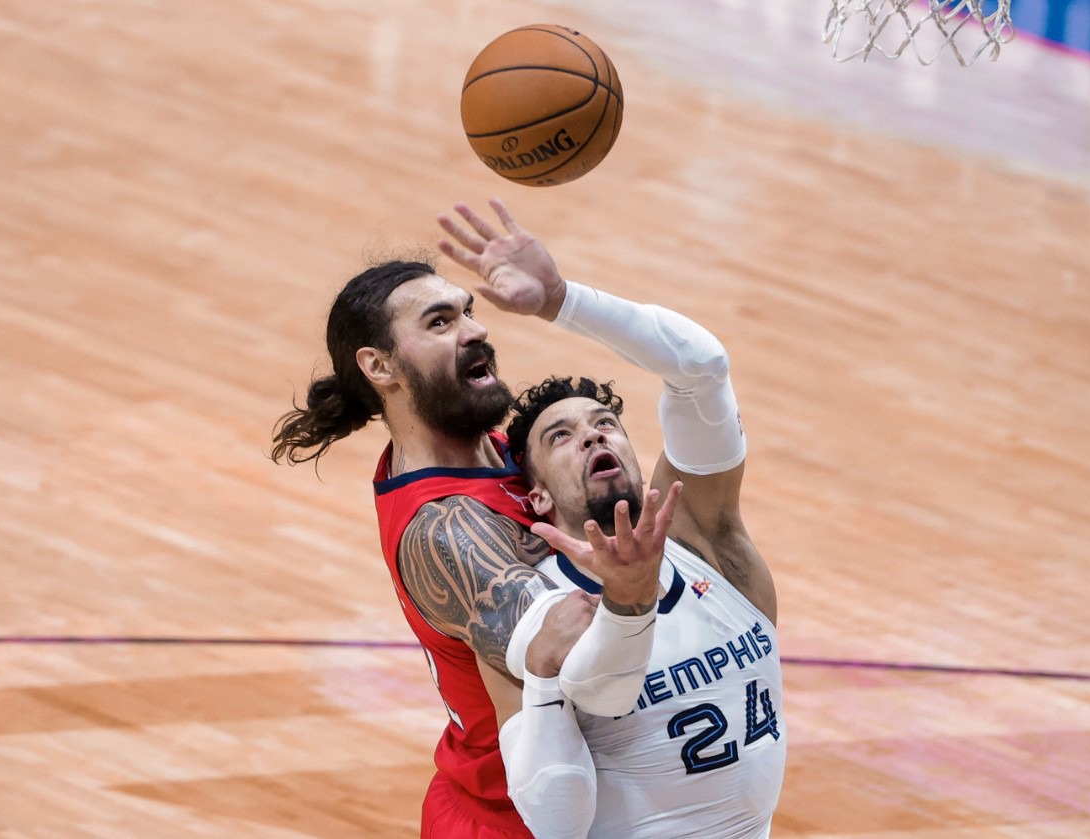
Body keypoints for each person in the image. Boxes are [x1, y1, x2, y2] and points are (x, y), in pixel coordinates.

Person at [270, 240, 678, 837]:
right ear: (380, 367)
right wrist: (639, 588)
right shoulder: (443, 529)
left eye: (467, 311)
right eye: (440, 323)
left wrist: (565, 300)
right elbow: (568, 656)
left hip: (598, 796)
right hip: (513, 819)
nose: (474, 330)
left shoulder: (515, 449)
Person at [438, 201, 786, 839]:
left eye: (605, 425)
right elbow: (554, 818)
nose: (592, 436)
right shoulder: (530, 607)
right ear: (537, 496)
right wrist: (580, 647)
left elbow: (701, 369)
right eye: (561, 436)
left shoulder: (709, 545)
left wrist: (561, 299)